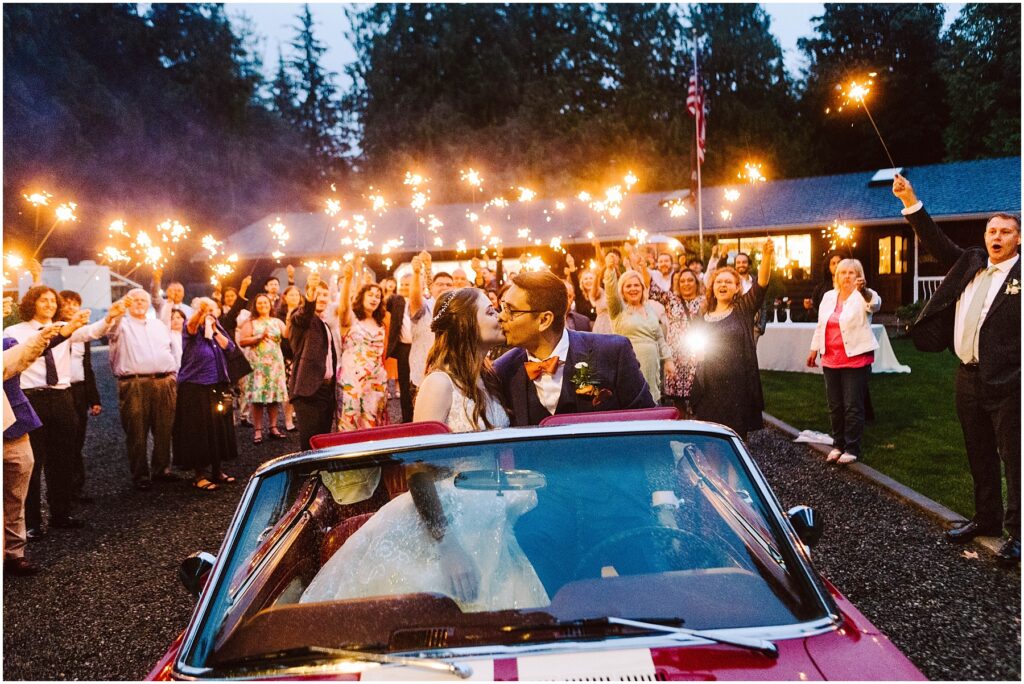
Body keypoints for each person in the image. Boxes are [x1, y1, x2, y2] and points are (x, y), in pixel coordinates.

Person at [893, 173, 1020, 566]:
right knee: (978, 451)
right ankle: (987, 520)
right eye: (991, 231)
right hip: (967, 375)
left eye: (1005, 232)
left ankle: (1018, 535)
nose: (996, 237)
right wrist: (911, 200)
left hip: (1011, 381)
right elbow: (934, 240)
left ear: (1018, 239)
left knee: (1014, 458)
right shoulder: (970, 263)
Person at [6, 289, 124, 533]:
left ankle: (61, 513)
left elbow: (91, 332)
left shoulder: (64, 326)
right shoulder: (15, 331)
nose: (49, 304)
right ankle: (32, 523)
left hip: (62, 397)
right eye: (43, 300)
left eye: (53, 300)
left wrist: (109, 317)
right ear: (32, 303)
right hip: (31, 399)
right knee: (33, 463)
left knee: (63, 459)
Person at [493, 270, 655, 426]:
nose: (501, 317)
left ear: (544, 320)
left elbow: (649, 425)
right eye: (502, 307)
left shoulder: (613, 353)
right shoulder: (503, 370)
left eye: (510, 310)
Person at [691, 239, 774, 440]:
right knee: (710, 437)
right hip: (709, 384)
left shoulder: (743, 309)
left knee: (735, 437)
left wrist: (767, 256)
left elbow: (762, 283)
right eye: (719, 281)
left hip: (737, 385)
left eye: (728, 282)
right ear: (712, 287)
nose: (723, 285)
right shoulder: (704, 314)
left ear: (737, 288)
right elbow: (694, 342)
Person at [806, 259, 881, 466]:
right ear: (836, 276)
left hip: (855, 359)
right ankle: (838, 444)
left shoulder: (864, 296)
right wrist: (814, 349)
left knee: (852, 406)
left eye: (851, 273)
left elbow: (875, 304)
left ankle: (852, 447)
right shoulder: (829, 297)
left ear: (859, 276)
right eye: (843, 273)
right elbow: (821, 325)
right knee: (835, 405)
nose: (846, 276)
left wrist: (864, 290)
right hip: (831, 358)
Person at [3, 325, 64, 574]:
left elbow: (15, 360)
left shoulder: (6, 342)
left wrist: (41, 338)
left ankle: (15, 553)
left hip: (12, 428)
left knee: (16, 496)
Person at [107, 289, 181, 490]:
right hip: (135, 383)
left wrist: (173, 373)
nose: (139, 303)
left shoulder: (158, 324)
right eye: (135, 300)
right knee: (136, 431)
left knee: (164, 428)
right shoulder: (121, 325)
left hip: (164, 381)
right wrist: (117, 312)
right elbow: (110, 330)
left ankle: (162, 469)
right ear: (128, 303)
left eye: (143, 300)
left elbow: (171, 348)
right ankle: (140, 474)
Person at [172, 298, 239, 491]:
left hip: (216, 384)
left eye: (211, 309)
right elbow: (192, 326)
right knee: (199, 431)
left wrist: (215, 329)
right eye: (205, 309)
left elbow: (229, 347)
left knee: (218, 428)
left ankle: (217, 470)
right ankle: (199, 475)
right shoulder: (191, 328)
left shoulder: (216, 327)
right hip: (195, 386)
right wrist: (200, 314)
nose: (209, 313)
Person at [604, 249, 673, 404]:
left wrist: (668, 359)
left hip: (653, 366)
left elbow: (659, 337)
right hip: (629, 365)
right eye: (628, 286)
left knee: (653, 401)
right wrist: (610, 270)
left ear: (643, 288)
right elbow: (610, 293)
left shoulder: (649, 308)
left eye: (637, 285)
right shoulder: (618, 310)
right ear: (622, 290)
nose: (633, 289)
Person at [285, 273, 338, 450]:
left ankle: (321, 477)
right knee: (310, 443)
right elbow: (304, 314)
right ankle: (307, 478)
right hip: (309, 391)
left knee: (323, 442)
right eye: (318, 294)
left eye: (325, 294)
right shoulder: (301, 318)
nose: (322, 298)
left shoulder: (324, 322)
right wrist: (310, 296)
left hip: (326, 390)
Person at [58, 290, 102, 503]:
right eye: (66, 304)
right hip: (62, 392)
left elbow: (87, 367)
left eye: (74, 304)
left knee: (78, 440)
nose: (70, 307)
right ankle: (64, 490)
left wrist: (94, 399)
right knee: (64, 441)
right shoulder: (54, 330)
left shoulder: (83, 334)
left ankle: (76, 487)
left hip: (80, 391)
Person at [335, 262, 388, 431]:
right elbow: (343, 308)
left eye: (378, 296)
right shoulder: (351, 319)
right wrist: (348, 282)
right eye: (370, 295)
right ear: (361, 297)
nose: (374, 299)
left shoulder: (380, 323)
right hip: (352, 380)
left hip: (376, 379)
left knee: (372, 422)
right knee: (350, 421)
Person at [649, 268, 704, 416]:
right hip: (675, 356)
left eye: (690, 280)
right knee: (677, 399)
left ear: (696, 282)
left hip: (697, 354)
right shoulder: (671, 300)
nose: (686, 283)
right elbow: (652, 288)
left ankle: (698, 426)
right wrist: (641, 266)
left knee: (698, 395)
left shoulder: (704, 301)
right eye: (682, 281)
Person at [238, 293, 289, 444]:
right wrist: (258, 337)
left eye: (265, 303)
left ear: (270, 305)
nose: (262, 305)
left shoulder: (277, 321)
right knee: (258, 398)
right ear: (255, 306)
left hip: (275, 363)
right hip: (258, 364)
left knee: (274, 397)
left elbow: (287, 335)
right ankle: (258, 430)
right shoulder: (251, 322)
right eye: (259, 303)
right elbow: (242, 341)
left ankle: (273, 427)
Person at [275, 285, 303, 431]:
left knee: (300, 388)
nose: (294, 297)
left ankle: (298, 414)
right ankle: (287, 419)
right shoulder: (278, 314)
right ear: (285, 297)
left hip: (300, 353)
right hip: (286, 354)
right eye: (291, 295)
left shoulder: (303, 313)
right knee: (289, 389)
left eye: (297, 295)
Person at [385, 276, 413, 423]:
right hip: (403, 348)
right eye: (402, 284)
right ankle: (407, 419)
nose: (403, 287)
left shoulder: (423, 302)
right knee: (404, 384)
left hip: (419, 347)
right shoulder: (395, 300)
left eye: (407, 284)